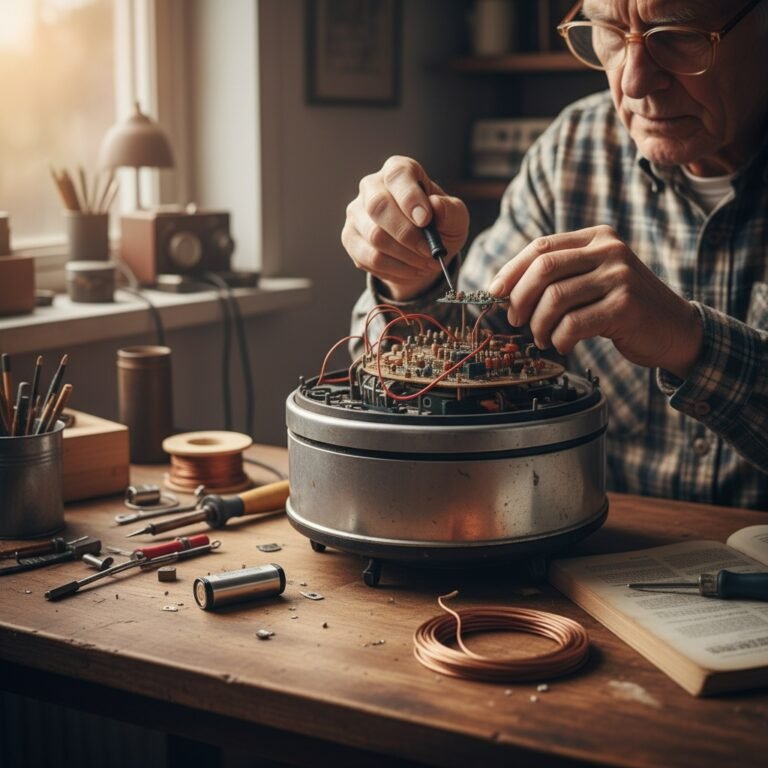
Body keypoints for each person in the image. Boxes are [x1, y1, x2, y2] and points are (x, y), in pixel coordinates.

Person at [341, 0, 768, 509]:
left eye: (676, 35)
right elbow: (471, 342)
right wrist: (410, 282)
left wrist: (690, 340)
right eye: (609, 31)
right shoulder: (572, 150)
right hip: (593, 556)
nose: (632, 82)